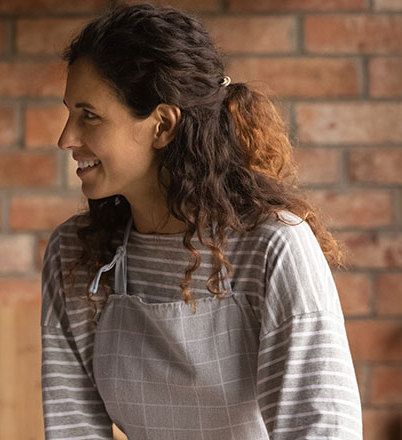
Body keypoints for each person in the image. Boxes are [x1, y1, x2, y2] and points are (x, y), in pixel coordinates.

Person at [40, 4, 362, 439]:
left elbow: (322, 427)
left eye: (89, 115)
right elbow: (73, 428)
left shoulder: (273, 247)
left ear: (163, 125)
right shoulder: (76, 255)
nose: (66, 138)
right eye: (69, 113)